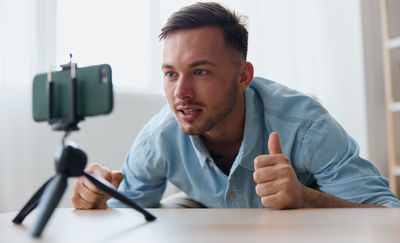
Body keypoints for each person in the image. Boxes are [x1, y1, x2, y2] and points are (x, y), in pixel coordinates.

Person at [71, 2, 400, 210]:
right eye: (171, 74)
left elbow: (389, 216)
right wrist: (98, 200)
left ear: (243, 76)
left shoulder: (304, 125)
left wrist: (306, 198)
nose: (180, 92)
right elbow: (130, 210)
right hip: (212, 231)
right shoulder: (160, 136)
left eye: (200, 72)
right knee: (168, 213)